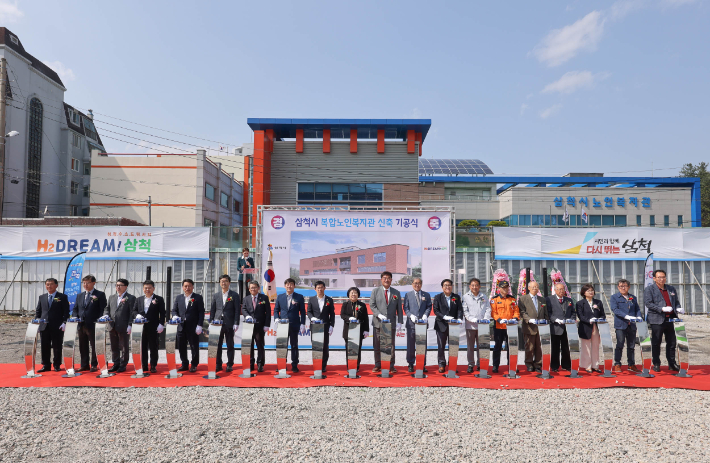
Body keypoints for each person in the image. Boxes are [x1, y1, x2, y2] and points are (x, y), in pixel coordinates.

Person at [643, 269, 682, 372]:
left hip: (671, 319)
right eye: (659, 277)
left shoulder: (671, 288)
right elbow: (648, 303)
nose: (662, 279)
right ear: (654, 278)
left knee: (672, 342)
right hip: (657, 319)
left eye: (663, 277)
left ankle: (672, 363)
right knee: (656, 342)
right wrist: (661, 309)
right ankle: (656, 363)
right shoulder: (649, 289)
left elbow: (676, 301)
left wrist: (678, 308)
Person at [369, 271, 403, 373]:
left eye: (388, 278)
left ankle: (391, 365)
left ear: (391, 280)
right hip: (378, 323)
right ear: (381, 279)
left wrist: (400, 322)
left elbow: (399, 309)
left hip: (391, 323)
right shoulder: (375, 291)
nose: (386, 280)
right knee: (378, 344)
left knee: (390, 345)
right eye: (384, 278)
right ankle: (378, 364)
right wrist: (379, 315)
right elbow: (372, 305)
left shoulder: (396, 293)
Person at [72, 275, 107, 372]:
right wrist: (75, 316)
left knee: (94, 345)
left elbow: (102, 309)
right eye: (84, 283)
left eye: (88, 283)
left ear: (93, 283)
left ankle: (94, 364)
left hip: (93, 324)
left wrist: (100, 321)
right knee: (83, 346)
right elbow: (75, 308)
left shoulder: (99, 294)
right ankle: (84, 364)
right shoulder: (80, 295)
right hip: (81, 324)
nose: (85, 285)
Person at [34, 278, 70, 372]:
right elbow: (39, 311)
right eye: (47, 284)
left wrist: (64, 322)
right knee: (44, 346)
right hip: (44, 326)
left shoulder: (62, 297)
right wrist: (37, 322)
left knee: (57, 346)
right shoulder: (42, 297)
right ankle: (46, 365)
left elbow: (66, 311)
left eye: (51, 284)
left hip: (57, 326)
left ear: (56, 285)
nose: (49, 286)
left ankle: (57, 364)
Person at [130, 280, 165, 374]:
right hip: (141, 327)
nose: (147, 289)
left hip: (153, 326)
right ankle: (144, 365)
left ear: (153, 288)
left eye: (149, 288)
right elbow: (134, 311)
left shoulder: (159, 299)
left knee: (153, 347)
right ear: (143, 289)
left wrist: (161, 324)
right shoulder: (139, 299)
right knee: (142, 347)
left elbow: (162, 313)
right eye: (146, 288)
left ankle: (153, 365)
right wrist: (136, 315)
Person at [171, 279, 205, 373]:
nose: (187, 288)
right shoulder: (179, 298)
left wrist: (200, 325)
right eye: (185, 286)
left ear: (193, 287)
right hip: (181, 326)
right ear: (182, 287)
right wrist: (175, 316)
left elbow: (201, 312)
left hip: (193, 326)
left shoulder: (198, 297)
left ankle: (194, 364)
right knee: (181, 346)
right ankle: (184, 364)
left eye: (189, 286)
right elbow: (174, 310)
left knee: (194, 346)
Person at [273, 278, 306, 373]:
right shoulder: (280, 297)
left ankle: (294, 365)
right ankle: (282, 364)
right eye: (287, 284)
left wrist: (303, 323)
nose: (289, 286)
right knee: (282, 346)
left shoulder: (299, 297)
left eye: (291, 284)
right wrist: (276, 318)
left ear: (294, 286)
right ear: (285, 286)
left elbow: (303, 311)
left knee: (294, 345)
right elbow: (276, 310)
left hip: (294, 324)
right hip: (282, 325)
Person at [209, 274, 241, 372]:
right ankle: (218, 364)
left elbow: (237, 310)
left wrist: (236, 322)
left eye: (226, 281)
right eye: (222, 281)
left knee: (230, 344)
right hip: (217, 323)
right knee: (217, 345)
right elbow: (213, 309)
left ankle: (230, 364)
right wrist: (210, 322)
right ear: (220, 283)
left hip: (229, 323)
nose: (224, 283)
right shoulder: (216, 295)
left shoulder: (234, 295)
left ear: (229, 283)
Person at [104, 279, 136, 373]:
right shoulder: (112, 297)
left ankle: (123, 364)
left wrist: (130, 324)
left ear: (125, 286)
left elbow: (132, 312)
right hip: (112, 325)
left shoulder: (130, 298)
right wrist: (106, 314)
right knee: (114, 346)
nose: (118, 287)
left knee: (124, 346)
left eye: (120, 285)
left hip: (123, 325)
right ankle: (115, 363)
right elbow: (107, 308)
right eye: (116, 285)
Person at [610, 279, 641, 373]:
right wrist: (626, 316)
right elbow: (615, 309)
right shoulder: (614, 297)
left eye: (625, 286)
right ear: (618, 287)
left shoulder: (633, 297)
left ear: (629, 287)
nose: (623, 288)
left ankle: (631, 364)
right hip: (621, 324)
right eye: (621, 286)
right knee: (620, 345)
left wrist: (639, 316)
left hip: (632, 325)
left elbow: (637, 309)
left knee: (631, 346)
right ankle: (617, 364)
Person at [432, 279, 464, 373]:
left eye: (449, 285)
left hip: (453, 325)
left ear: (452, 286)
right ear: (442, 287)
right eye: (445, 285)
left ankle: (452, 364)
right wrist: (444, 317)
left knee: (453, 346)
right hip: (441, 325)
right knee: (441, 346)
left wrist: (459, 318)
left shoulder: (456, 297)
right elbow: (436, 310)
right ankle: (441, 364)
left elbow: (460, 310)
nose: (447, 287)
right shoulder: (438, 297)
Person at [489, 280, 519, 373]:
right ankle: (495, 366)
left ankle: (511, 365)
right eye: (503, 288)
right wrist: (499, 319)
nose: (505, 289)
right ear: (499, 288)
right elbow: (493, 312)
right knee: (497, 347)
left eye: (507, 287)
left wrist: (515, 318)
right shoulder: (495, 299)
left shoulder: (512, 299)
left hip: (510, 327)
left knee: (511, 347)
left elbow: (516, 311)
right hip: (499, 327)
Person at [403, 277, 432, 373]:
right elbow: (406, 308)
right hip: (411, 324)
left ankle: (422, 364)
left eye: (419, 283)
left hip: (422, 324)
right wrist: (410, 315)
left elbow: (429, 306)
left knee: (422, 345)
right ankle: (410, 364)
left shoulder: (426, 295)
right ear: (412, 284)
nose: (417, 285)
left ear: (421, 284)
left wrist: (425, 315)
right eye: (415, 283)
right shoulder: (408, 295)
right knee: (411, 345)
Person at [462, 277, 491, 373]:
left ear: (479, 286)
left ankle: (480, 364)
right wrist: (471, 319)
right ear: (470, 286)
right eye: (473, 285)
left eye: (476, 285)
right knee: (470, 346)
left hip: (482, 326)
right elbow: (465, 311)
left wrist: (486, 318)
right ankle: (471, 364)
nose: (475, 287)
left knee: (481, 346)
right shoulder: (465, 297)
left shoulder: (484, 296)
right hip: (470, 326)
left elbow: (488, 308)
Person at [241, 280, 271, 372]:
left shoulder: (264, 298)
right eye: (251, 288)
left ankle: (260, 364)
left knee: (260, 345)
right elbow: (244, 309)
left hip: (260, 326)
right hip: (249, 326)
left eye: (254, 287)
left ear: (258, 288)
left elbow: (268, 313)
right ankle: (250, 364)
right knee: (249, 346)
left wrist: (267, 325)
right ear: (249, 289)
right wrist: (247, 316)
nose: (253, 289)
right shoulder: (246, 299)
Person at [576, 284, 605, 374]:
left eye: (592, 290)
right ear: (584, 293)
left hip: (596, 327)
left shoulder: (598, 302)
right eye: (588, 290)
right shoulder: (580, 303)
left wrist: (600, 319)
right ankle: (587, 365)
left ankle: (595, 365)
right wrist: (589, 320)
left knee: (596, 346)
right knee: (586, 347)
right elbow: (580, 316)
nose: (591, 292)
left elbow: (603, 314)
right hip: (585, 327)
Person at [306, 280, 336, 372]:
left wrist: (332, 326)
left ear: (324, 288)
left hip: (325, 326)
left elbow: (332, 314)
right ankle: (316, 364)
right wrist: (312, 318)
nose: (320, 289)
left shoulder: (329, 300)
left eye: (321, 287)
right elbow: (309, 312)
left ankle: (323, 365)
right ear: (315, 289)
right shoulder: (311, 299)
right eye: (318, 288)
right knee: (316, 346)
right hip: (315, 326)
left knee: (325, 347)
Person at [545, 282, 574, 372]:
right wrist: (555, 319)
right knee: (555, 347)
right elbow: (548, 313)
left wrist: (571, 320)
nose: (562, 291)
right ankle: (554, 366)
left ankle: (566, 365)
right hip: (555, 327)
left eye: (563, 289)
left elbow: (573, 312)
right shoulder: (549, 299)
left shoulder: (569, 300)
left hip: (567, 327)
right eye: (559, 289)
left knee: (566, 347)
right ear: (555, 290)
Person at [340, 286, 369, 371]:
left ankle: (356, 366)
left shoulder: (362, 305)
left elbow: (365, 318)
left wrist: (366, 330)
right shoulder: (345, 304)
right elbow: (342, 315)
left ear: (358, 295)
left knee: (357, 349)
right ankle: (349, 366)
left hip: (359, 331)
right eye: (351, 293)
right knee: (348, 350)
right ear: (348, 295)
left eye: (355, 293)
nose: (353, 294)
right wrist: (349, 318)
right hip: (348, 331)